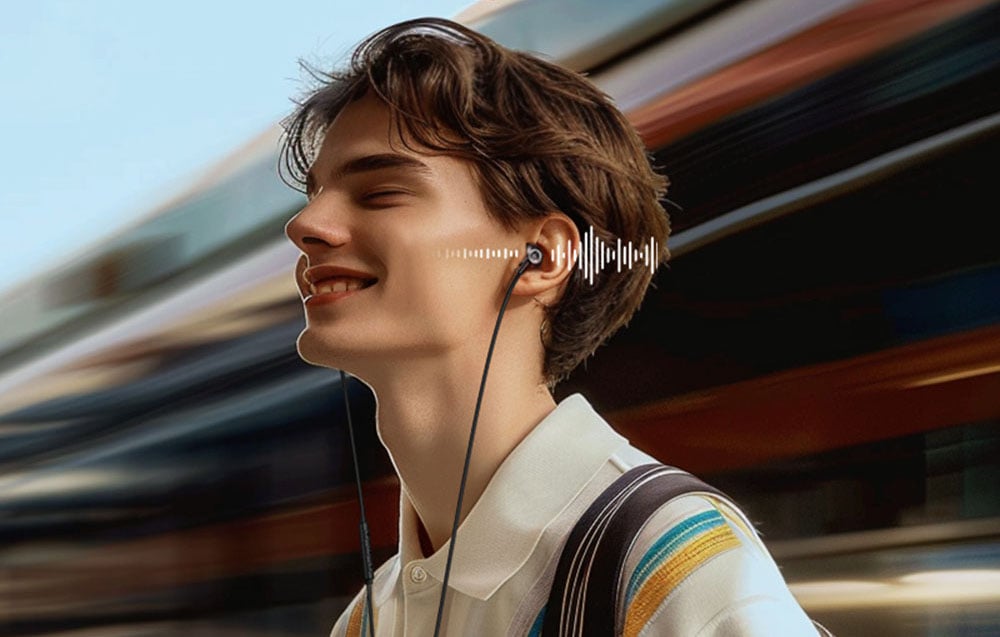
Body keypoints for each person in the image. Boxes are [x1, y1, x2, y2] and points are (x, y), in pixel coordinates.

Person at [281, 17, 817, 636]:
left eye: (380, 192)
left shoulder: (665, 562)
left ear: (542, 257)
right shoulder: (369, 619)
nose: (306, 224)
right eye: (314, 193)